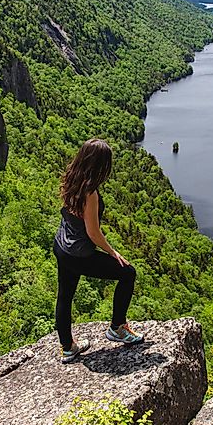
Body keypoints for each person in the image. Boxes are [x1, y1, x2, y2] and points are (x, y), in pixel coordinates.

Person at [54, 138, 144, 363]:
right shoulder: (90, 193)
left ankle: (68, 348)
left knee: (65, 296)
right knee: (127, 273)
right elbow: (93, 232)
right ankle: (117, 328)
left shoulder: (71, 178)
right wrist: (113, 253)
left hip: (62, 245)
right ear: (100, 166)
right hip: (79, 253)